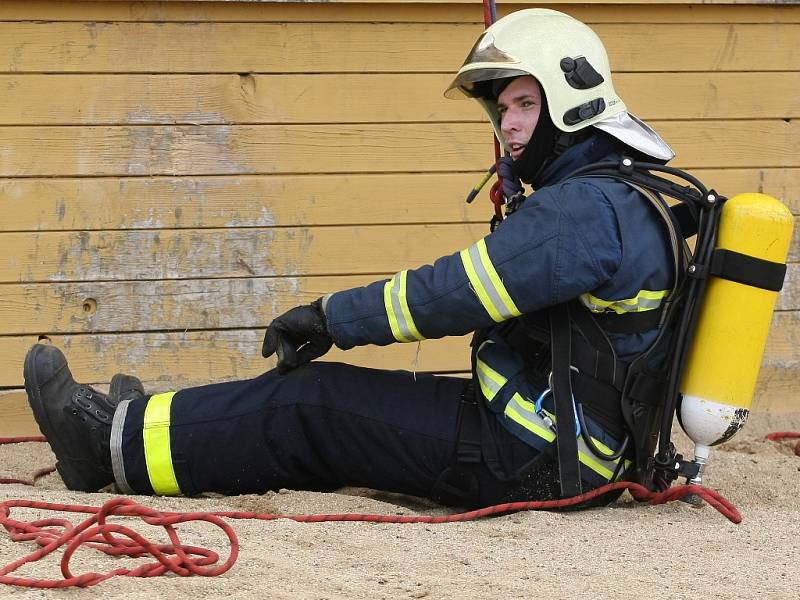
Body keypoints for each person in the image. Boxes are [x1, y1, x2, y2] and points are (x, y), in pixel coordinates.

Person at [23, 9, 680, 509]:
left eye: (525, 105)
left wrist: (329, 319)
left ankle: (108, 447)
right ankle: (152, 420)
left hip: (533, 455)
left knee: (312, 404)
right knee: (325, 409)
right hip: (562, 438)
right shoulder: (620, 196)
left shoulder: (583, 212)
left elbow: (449, 294)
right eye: (503, 108)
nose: (507, 125)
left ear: (572, 103)